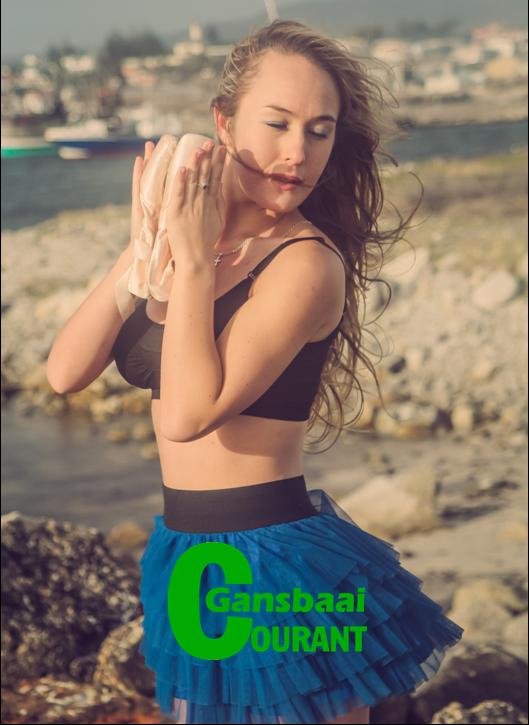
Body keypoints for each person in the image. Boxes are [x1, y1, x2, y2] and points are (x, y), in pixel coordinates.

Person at [46, 19, 463, 725]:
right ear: (223, 122)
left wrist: (192, 263)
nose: (297, 152)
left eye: (319, 131)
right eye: (276, 124)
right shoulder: (181, 237)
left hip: (275, 562)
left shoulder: (305, 265)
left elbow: (188, 413)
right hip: (186, 552)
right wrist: (145, 245)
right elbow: (64, 372)